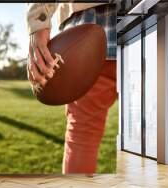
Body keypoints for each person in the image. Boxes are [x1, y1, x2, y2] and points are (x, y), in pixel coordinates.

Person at [26, 3, 117, 174]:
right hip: (152, 25)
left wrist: (38, 21)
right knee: (155, 134)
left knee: (83, 137)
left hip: (88, 37)